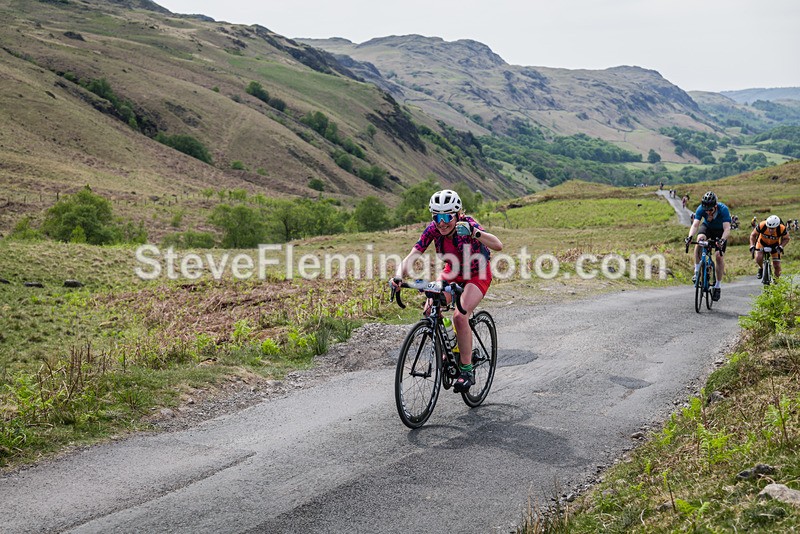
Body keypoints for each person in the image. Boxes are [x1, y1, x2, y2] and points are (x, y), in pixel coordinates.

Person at [392, 189, 503, 392]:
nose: (442, 222)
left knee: (460, 317)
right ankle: (452, 347)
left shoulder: (467, 225)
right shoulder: (433, 230)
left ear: (457, 214)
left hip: (477, 274)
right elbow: (412, 255)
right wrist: (399, 276)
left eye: (446, 217)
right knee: (430, 310)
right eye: (437, 217)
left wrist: (474, 232)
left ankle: (467, 369)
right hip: (452, 272)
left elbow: (498, 245)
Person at [684, 191, 732, 301]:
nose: (708, 212)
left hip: (720, 231)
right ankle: (697, 272)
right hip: (708, 228)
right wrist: (690, 236)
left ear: (715, 206)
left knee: (719, 257)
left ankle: (717, 286)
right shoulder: (701, 209)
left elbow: (727, 228)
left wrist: (722, 240)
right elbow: (695, 224)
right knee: (699, 240)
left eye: (710, 210)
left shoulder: (723, 209)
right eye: (706, 210)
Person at [749, 215, 790, 280]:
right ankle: (761, 268)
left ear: (777, 226)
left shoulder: (782, 228)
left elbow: (786, 239)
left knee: (777, 265)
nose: (770, 230)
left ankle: (776, 282)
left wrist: (781, 246)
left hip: (775, 245)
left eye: (773, 228)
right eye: (769, 228)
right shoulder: (762, 225)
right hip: (762, 243)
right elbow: (753, 235)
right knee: (758, 258)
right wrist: (752, 246)